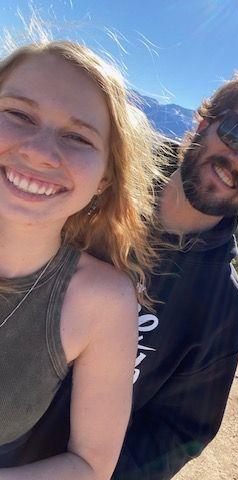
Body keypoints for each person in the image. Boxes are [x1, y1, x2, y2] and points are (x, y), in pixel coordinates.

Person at [15, 71, 238, 479]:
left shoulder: (221, 310)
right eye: (236, 132)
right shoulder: (98, 186)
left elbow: (176, 433)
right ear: (203, 122)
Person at [0, 39, 161, 480]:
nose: (39, 151)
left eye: (77, 137)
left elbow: (90, 465)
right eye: (19, 115)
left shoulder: (103, 303)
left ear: (105, 177)